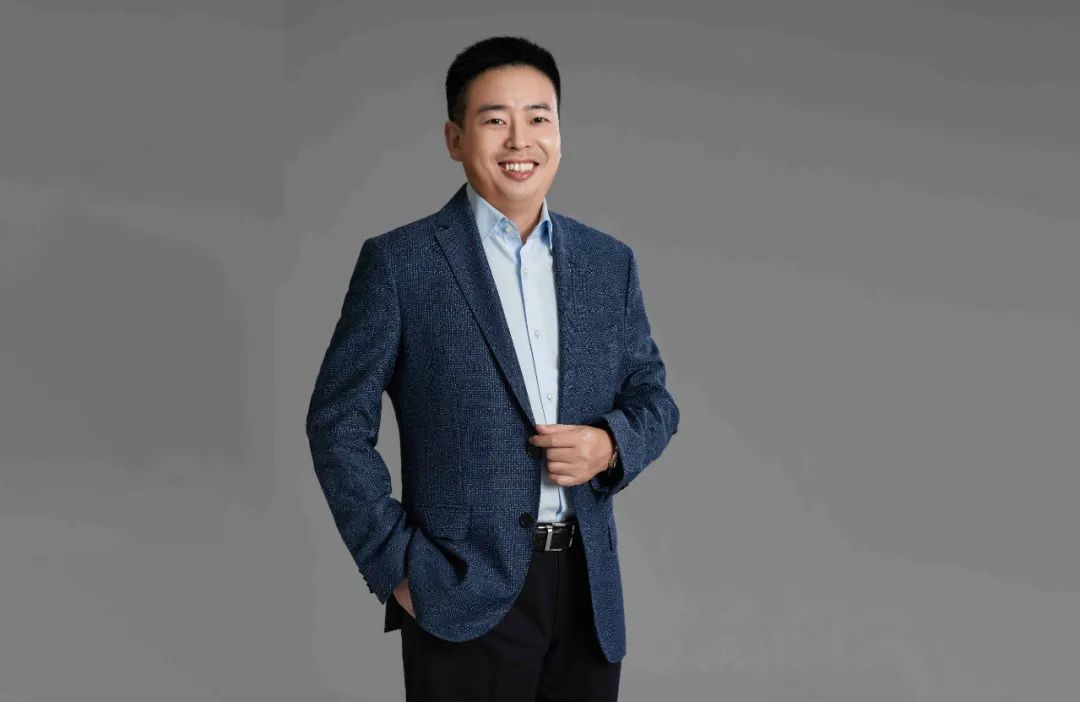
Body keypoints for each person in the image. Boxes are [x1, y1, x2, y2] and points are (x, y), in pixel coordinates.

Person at [306, 35, 679, 701]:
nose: (519, 140)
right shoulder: (401, 264)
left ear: (560, 132)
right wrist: (398, 567)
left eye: (538, 117)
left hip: (589, 595)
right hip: (458, 591)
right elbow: (337, 424)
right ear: (455, 139)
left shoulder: (608, 263)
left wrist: (610, 445)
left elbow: (653, 397)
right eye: (494, 119)